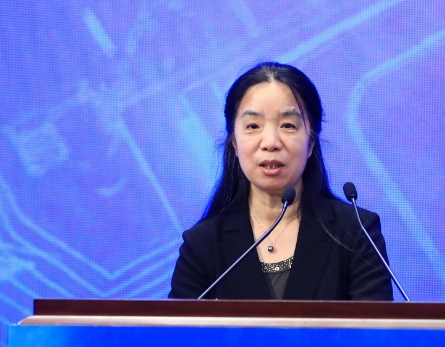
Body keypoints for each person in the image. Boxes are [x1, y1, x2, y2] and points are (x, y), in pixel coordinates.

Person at [168, 62, 394, 301]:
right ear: (234, 142)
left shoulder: (356, 232)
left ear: (311, 143)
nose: (271, 142)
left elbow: (374, 325)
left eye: (288, 125)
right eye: (253, 126)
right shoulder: (202, 246)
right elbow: (178, 326)